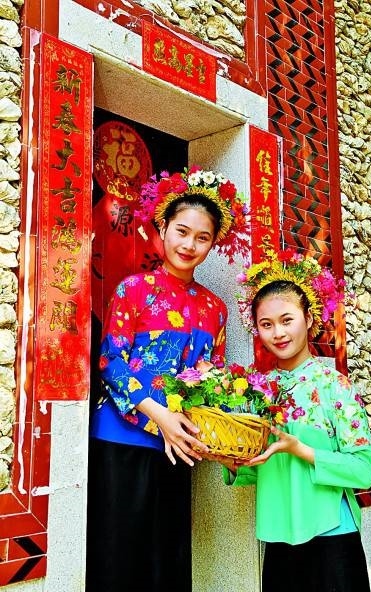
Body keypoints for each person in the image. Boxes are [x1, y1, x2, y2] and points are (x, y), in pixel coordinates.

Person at [86, 165, 249, 592]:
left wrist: (224, 437)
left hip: (179, 448)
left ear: (213, 243)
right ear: (162, 228)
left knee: (168, 560)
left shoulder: (215, 309)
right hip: (122, 439)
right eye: (182, 231)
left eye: (202, 237)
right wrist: (160, 416)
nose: (189, 245)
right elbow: (110, 362)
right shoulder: (133, 289)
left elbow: (212, 379)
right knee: (118, 558)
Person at [223, 247, 371, 592]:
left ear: (308, 319)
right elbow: (267, 466)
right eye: (266, 324)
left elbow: (364, 470)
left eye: (287, 320)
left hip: (332, 534)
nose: (278, 332)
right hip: (279, 536)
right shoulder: (260, 390)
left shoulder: (334, 385)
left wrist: (300, 449)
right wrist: (232, 462)